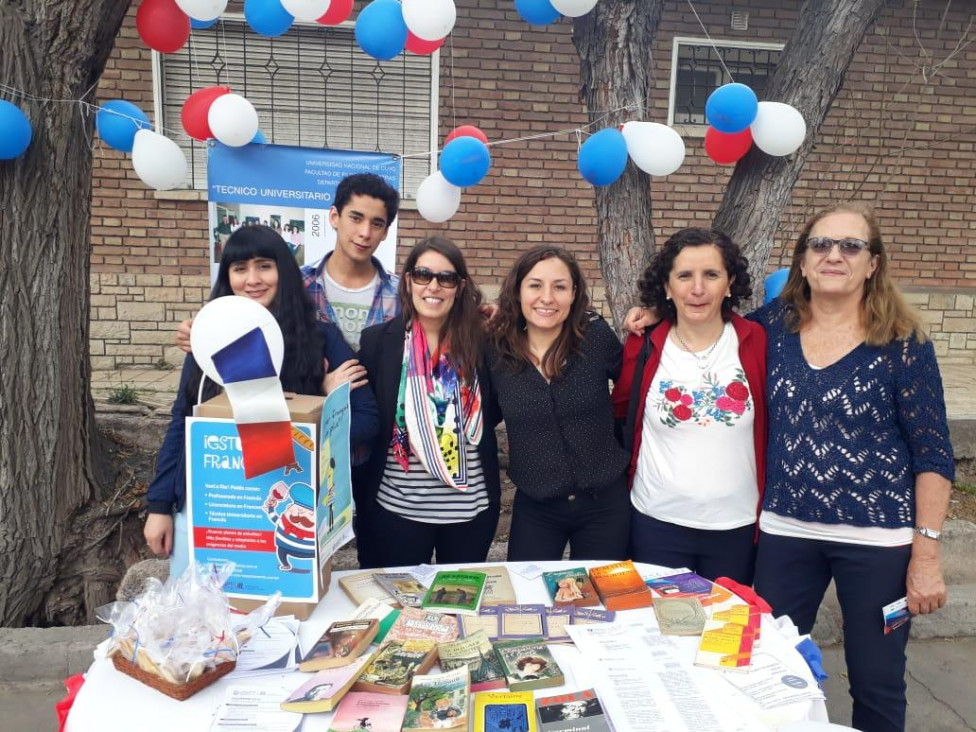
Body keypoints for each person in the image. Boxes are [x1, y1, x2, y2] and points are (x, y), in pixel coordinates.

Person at [750, 204, 955, 732]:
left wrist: (925, 557)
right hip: (785, 533)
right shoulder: (770, 326)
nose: (833, 255)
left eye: (850, 246)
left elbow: (932, 456)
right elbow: (699, 325)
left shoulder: (903, 344)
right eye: (820, 244)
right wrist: (653, 315)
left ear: (873, 264)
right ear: (802, 261)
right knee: (770, 668)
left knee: (876, 678)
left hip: (879, 544)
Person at [144, 226, 379, 576]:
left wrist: (318, 405)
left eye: (264, 266)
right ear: (228, 277)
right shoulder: (209, 338)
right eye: (240, 269)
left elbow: (366, 420)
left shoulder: (320, 339)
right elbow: (182, 420)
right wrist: (160, 505)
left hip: (285, 510)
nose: (252, 279)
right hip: (214, 506)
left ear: (283, 270)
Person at [610, 228, 766, 584]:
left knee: (723, 635)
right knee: (662, 632)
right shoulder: (645, 344)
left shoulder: (756, 341)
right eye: (684, 276)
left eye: (711, 275)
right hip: (656, 524)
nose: (698, 289)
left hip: (735, 527)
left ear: (729, 284)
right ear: (667, 286)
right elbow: (621, 411)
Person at [353, 237, 501, 568]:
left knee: (457, 611)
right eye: (423, 275)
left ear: (459, 287)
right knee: (401, 612)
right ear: (408, 281)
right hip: (397, 511)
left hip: (469, 514)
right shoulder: (379, 342)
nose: (433, 286)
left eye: (445, 278)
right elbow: (368, 414)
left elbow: (494, 411)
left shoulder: (483, 342)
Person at [488, 246, 630, 561]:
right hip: (537, 507)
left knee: (604, 602)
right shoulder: (496, 352)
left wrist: (653, 317)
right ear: (518, 291)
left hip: (604, 504)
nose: (547, 297)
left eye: (560, 286)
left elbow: (637, 386)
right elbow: (480, 415)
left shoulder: (595, 338)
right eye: (535, 285)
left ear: (574, 293)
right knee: (528, 601)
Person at [178, 173, 401, 352]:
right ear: (334, 217)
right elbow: (245, 321)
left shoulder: (401, 292)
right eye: (356, 218)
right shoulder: (294, 282)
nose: (364, 232)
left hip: (375, 405)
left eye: (377, 224)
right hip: (304, 400)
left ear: (385, 232)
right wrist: (199, 331)